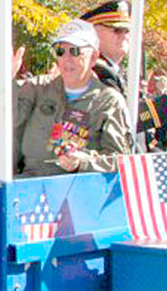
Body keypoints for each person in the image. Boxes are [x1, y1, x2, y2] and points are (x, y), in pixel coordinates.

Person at [15, 19, 132, 176]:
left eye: (75, 51)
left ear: (93, 57)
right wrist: (6, 81)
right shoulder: (37, 88)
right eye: (60, 52)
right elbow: (4, 121)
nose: (67, 59)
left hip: (78, 190)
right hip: (30, 185)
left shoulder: (108, 101)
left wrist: (83, 162)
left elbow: (120, 160)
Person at [80, 0, 167, 149]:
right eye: (116, 30)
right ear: (92, 33)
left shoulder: (115, 73)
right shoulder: (93, 73)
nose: (124, 35)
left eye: (127, 30)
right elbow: (121, 121)